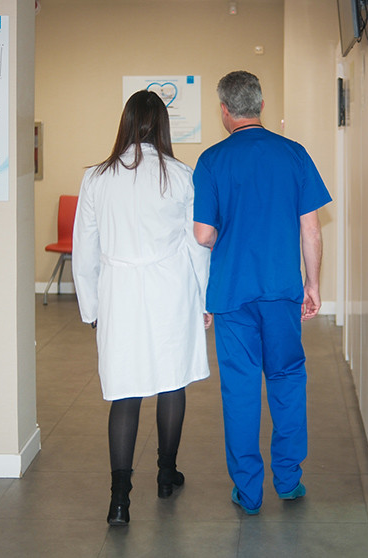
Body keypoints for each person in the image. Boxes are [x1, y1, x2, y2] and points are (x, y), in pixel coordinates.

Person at [193, 71, 331, 515]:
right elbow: (311, 230)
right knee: (287, 378)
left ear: (224, 110)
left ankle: (249, 492)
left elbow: (202, 234)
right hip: (281, 291)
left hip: (232, 293)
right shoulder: (294, 154)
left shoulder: (212, 161)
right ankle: (288, 480)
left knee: (240, 387)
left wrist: (229, 237)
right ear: (261, 105)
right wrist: (313, 284)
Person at [72, 90, 211, 526]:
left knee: (125, 390)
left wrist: (91, 308)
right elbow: (197, 246)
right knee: (172, 381)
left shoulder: (96, 178)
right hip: (171, 291)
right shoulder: (181, 175)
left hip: (120, 293)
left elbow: (84, 249)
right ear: (163, 126)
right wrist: (205, 299)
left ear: (126, 123)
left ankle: (119, 500)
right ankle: (166, 474)